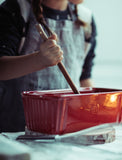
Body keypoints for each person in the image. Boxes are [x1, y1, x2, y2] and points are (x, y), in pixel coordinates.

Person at [0, 0, 97, 132]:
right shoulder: (15, 9)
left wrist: (97, 117)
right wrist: (39, 60)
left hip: (67, 131)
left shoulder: (86, 19)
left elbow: (84, 78)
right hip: (16, 132)